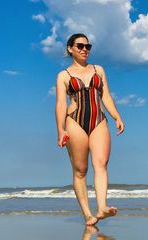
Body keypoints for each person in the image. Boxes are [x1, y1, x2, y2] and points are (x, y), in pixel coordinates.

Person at [55, 33, 125, 226]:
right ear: (70, 48)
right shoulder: (63, 76)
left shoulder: (98, 70)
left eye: (88, 46)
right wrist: (60, 130)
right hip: (75, 122)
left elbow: (107, 97)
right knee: (80, 170)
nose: (85, 49)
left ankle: (102, 206)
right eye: (80, 46)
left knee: (101, 163)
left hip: (98, 120)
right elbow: (61, 104)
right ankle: (87, 214)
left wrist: (117, 116)